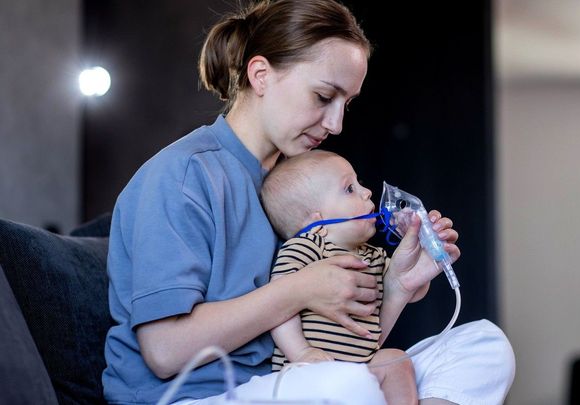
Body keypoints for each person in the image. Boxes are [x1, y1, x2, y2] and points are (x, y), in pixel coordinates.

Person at [102, 0, 515, 404]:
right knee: (346, 387)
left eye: (346, 105)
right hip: (193, 396)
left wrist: (397, 288)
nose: (335, 124)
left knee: (485, 345)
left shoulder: (301, 187)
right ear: (260, 75)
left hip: (288, 382)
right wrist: (299, 289)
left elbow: (334, 350)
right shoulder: (185, 176)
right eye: (323, 97)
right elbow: (163, 350)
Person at [262, 149, 423, 404]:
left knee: (397, 361)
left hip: (360, 366)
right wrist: (301, 352)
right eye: (349, 188)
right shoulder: (307, 248)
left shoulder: (373, 255)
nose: (367, 192)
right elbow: (278, 309)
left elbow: (413, 290)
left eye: (358, 183)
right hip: (311, 372)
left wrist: (421, 255)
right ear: (318, 223)